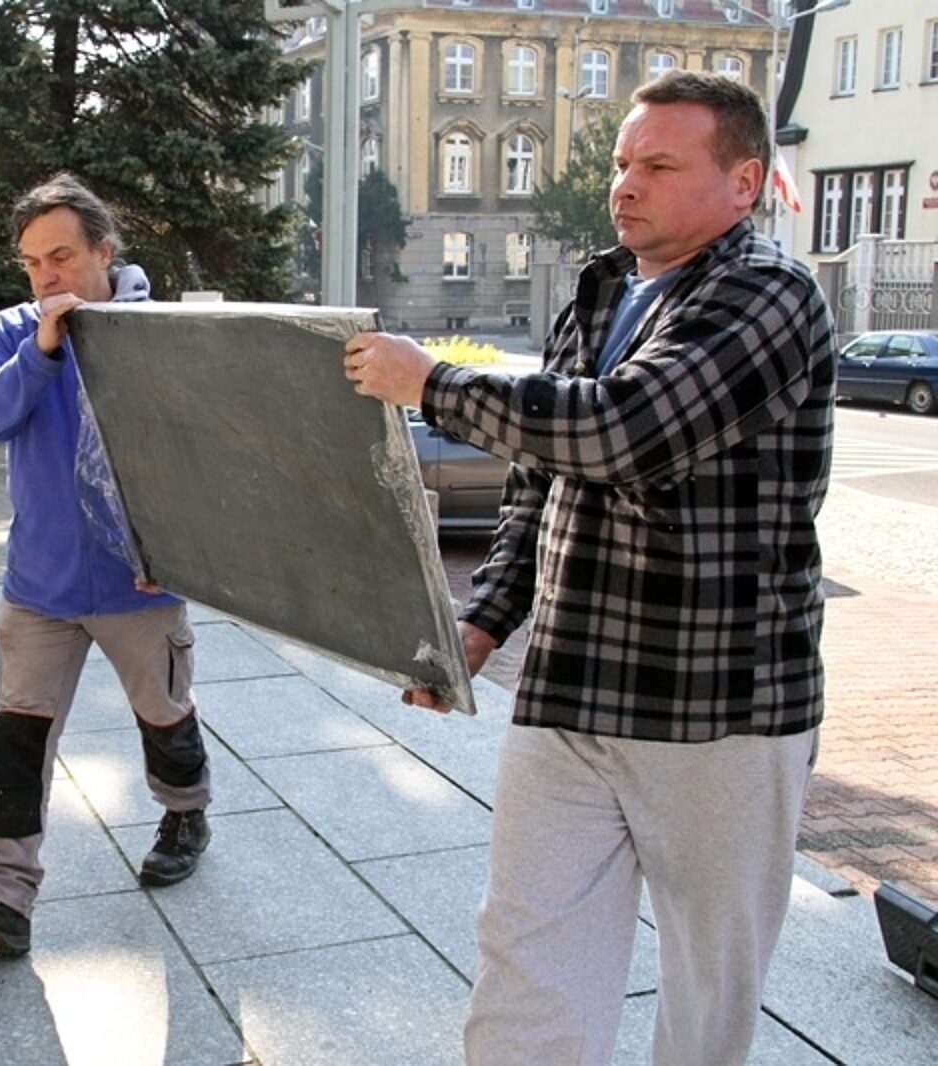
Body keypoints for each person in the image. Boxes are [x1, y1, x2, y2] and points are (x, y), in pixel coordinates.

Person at [341, 72, 834, 1064]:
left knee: (708, 990)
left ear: (744, 183)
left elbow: (624, 432)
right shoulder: (603, 287)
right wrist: (482, 621)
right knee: (524, 959)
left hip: (719, 708)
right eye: (621, 162)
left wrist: (431, 382)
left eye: (660, 165)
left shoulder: (771, 296)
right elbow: (541, 480)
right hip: (568, 691)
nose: (626, 184)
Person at [0, 173, 211, 956]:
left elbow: (199, 452)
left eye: (61, 256)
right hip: (39, 584)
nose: (45, 275)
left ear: (104, 252)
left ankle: (186, 815)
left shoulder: (156, 333)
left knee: (165, 713)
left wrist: (177, 552)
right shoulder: (13, 331)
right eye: (32, 262)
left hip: (139, 582)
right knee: (16, 736)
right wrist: (43, 349)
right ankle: (3, 896)